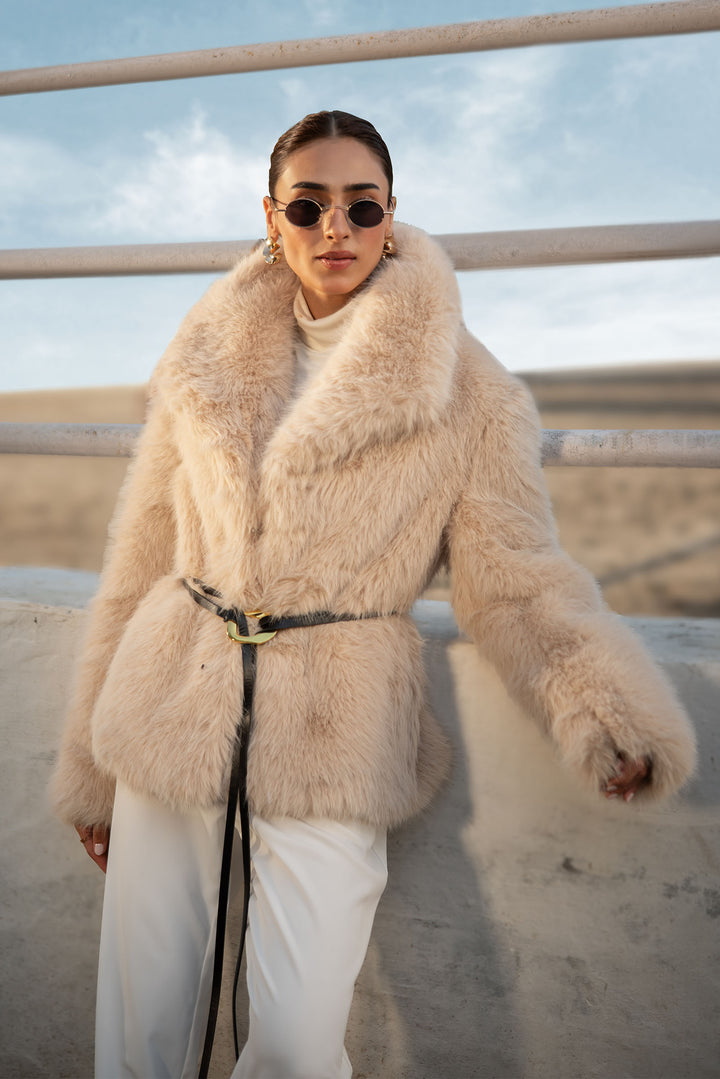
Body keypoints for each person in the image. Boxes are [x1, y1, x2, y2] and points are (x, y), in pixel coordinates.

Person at [50, 110, 697, 1079]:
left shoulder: (468, 388)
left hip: (338, 722)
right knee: (141, 1032)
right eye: (307, 205)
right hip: (169, 699)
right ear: (271, 217)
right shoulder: (203, 355)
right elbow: (140, 559)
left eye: (361, 205)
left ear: (391, 217)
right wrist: (88, 768)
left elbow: (516, 579)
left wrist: (604, 711)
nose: (335, 227)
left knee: (299, 1042)